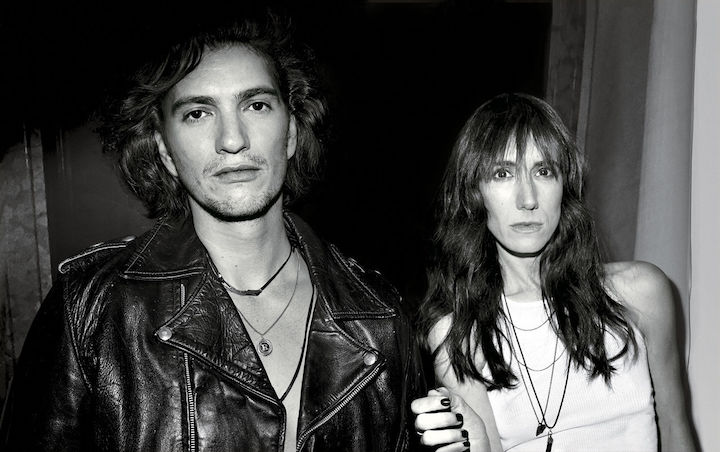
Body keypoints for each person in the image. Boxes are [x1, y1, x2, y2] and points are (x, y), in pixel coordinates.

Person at [0, 12, 422, 452]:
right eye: (198, 113)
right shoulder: (91, 309)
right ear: (164, 149)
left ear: (292, 132)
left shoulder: (381, 318)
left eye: (256, 105)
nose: (233, 139)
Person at [411, 93, 697, 452]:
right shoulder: (458, 335)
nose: (528, 198)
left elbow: (675, 427)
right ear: (474, 193)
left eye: (543, 171)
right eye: (502, 173)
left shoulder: (641, 292)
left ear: (565, 186)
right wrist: (477, 443)